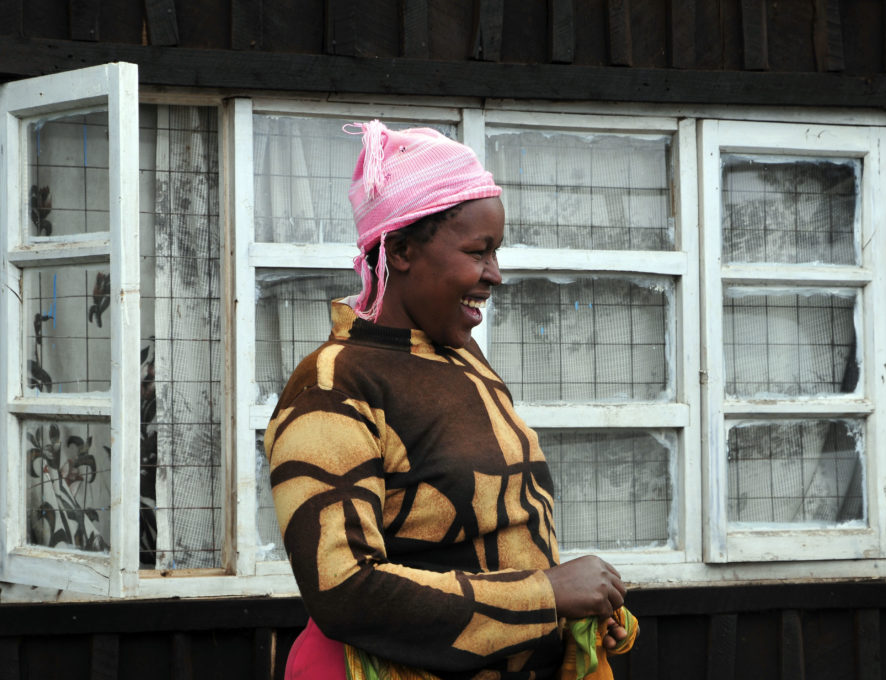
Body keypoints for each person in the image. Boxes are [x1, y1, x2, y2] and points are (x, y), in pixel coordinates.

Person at [264, 120, 632, 680]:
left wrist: (577, 612)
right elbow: (342, 588)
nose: (496, 275)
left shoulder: (462, 360)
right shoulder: (335, 382)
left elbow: (495, 539)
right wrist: (546, 596)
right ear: (402, 249)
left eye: (496, 253)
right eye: (479, 252)